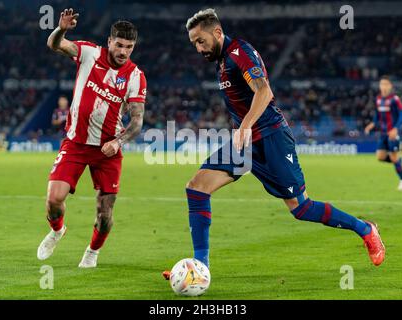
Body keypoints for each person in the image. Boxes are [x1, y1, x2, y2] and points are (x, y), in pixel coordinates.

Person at [163, 9, 384, 279]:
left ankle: (365, 230)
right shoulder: (222, 62)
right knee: (196, 189)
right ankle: (200, 268)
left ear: (217, 33)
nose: (198, 48)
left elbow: (264, 90)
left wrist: (244, 125)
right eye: (194, 43)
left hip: (271, 138)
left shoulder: (239, 52)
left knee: (301, 208)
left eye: (201, 41)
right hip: (245, 145)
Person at [37, 8, 147, 268]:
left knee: (105, 213)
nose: (123, 51)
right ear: (109, 41)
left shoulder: (135, 76)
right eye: (119, 45)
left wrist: (118, 142)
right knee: (54, 199)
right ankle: (57, 230)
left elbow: (138, 121)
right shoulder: (89, 53)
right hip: (75, 143)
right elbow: (54, 44)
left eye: (129, 47)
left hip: (107, 150)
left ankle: (92, 252)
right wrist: (62, 28)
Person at [365, 75, 402, 191]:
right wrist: (372, 124)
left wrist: (396, 128)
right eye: (382, 84)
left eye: (386, 84)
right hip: (383, 133)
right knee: (380, 157)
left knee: (394, 157)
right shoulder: (378, 99)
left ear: (390, 86)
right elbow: (377, 115)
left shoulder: (394, 99)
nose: (384, 87)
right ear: (379, 86)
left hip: (392, 133)